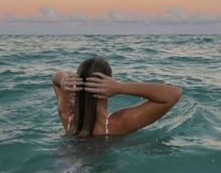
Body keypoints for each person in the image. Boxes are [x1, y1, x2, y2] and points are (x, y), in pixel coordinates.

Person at [52, 56, 182, 137]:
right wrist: (120, 87)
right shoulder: (116, 125)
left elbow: (55, 80)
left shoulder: (68, 119)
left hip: (66, 161)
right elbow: (173, 94)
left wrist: (64, 80)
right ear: (109, 83)